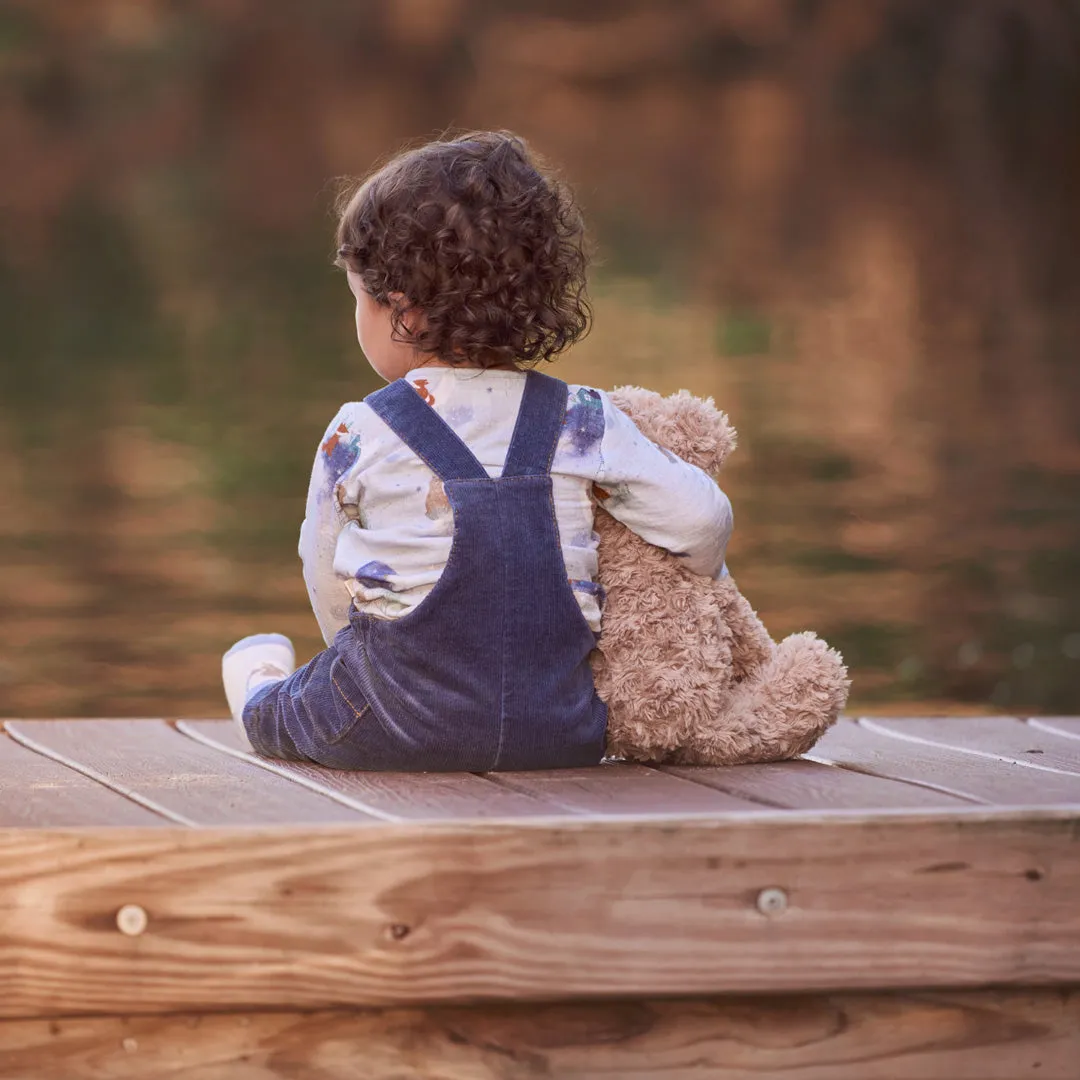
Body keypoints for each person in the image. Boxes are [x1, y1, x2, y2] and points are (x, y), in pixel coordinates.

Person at [221, 131, 732, 771]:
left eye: (358, 300)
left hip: (395, 725)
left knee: (275, 714)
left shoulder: (359, 432)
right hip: (560, 729)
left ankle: (255, 678)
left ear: (400, 311)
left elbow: (324, 573)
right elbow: (705, 523)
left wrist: (351, 667)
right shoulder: (583, 419)